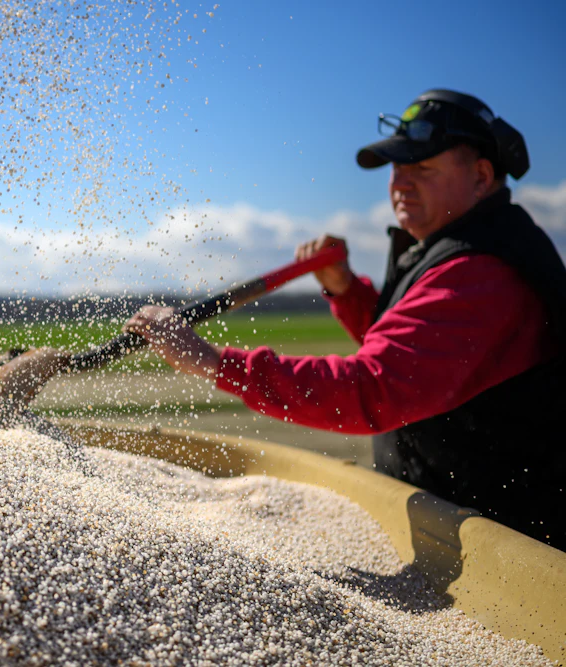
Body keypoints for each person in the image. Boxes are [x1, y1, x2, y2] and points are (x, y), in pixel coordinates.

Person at [123, 89, 566, 551]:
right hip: (452, 520)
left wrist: (215, 362)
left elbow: (374, 386)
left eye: (422, 167)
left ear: (480, 175)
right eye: (397, 168)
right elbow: (414, 347)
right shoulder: (458, 247)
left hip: (506, 547)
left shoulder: (480, 272)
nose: (400, 183)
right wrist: (344, 288)